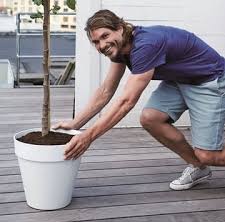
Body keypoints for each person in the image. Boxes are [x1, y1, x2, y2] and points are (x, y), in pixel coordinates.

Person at [53, 9, 225, 190]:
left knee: (208, 155)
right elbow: (105, 91)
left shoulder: (145, 45)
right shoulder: (120, 48)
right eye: (96, 41)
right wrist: (75, 123)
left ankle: (203, 161)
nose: (102, 45)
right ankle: (199, 167)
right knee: (151, 118)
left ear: (120, 28)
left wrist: (88, 137)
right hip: (181, 79)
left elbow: (126, 102)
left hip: (210, 80)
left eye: (105, 36)